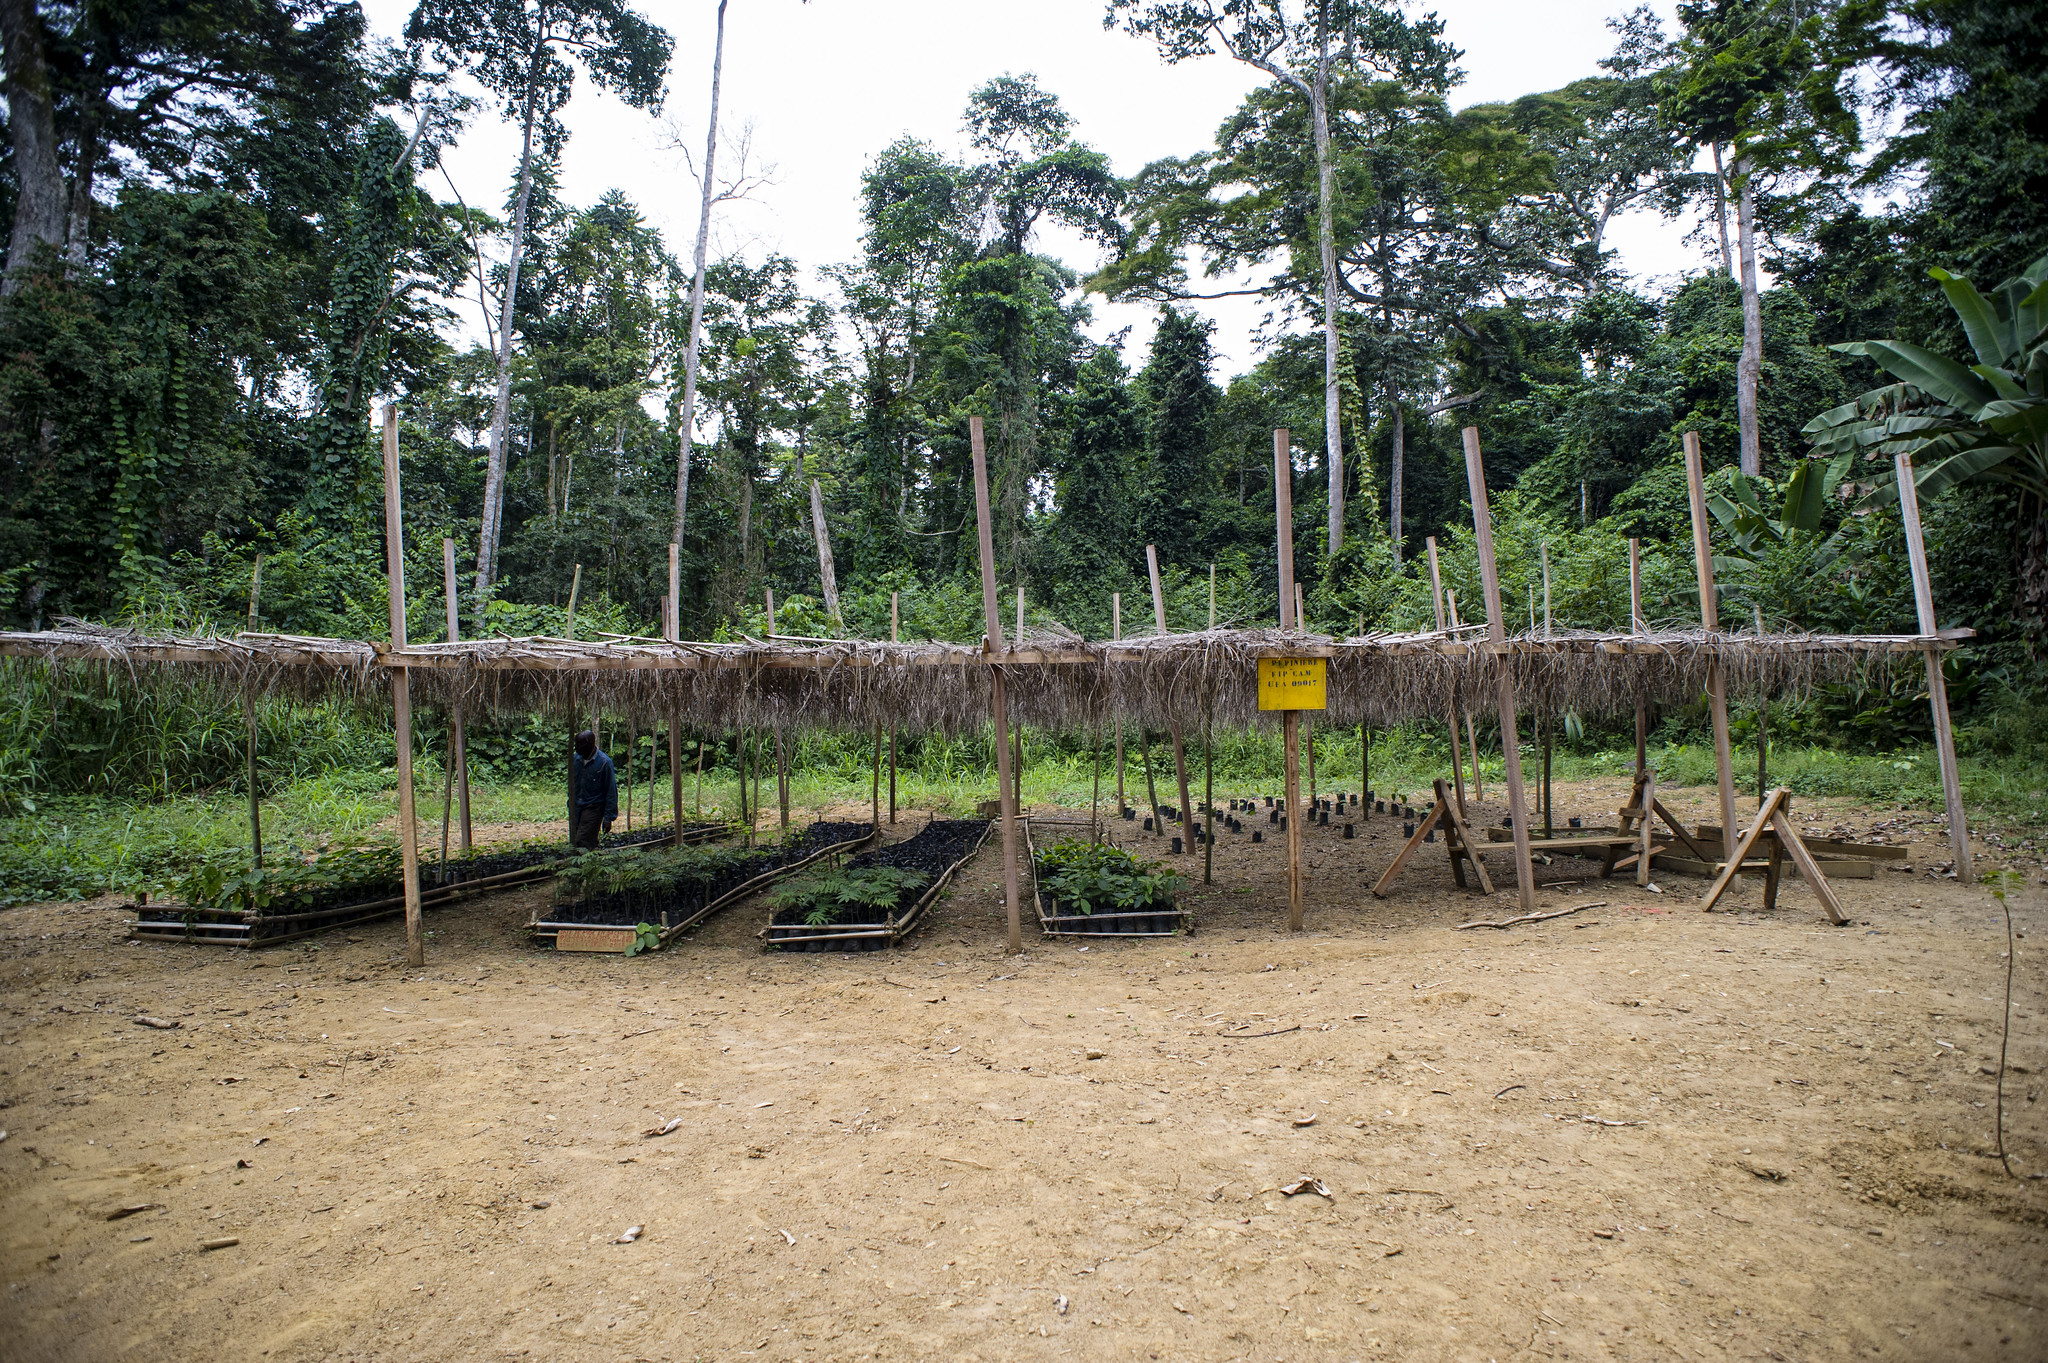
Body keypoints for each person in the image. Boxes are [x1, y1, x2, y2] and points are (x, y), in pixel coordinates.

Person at [568, 729, 617, 850]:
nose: (576, 747)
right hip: (577, 806)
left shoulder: (604, 763)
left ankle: (584, 865)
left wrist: (608, 817)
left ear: (589, 744)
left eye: (580, 744)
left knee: (583, 841)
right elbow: (572, 782)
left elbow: (611, 791)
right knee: (576, 840)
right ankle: (594, 863)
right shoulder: (575, 760)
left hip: (593, 807)